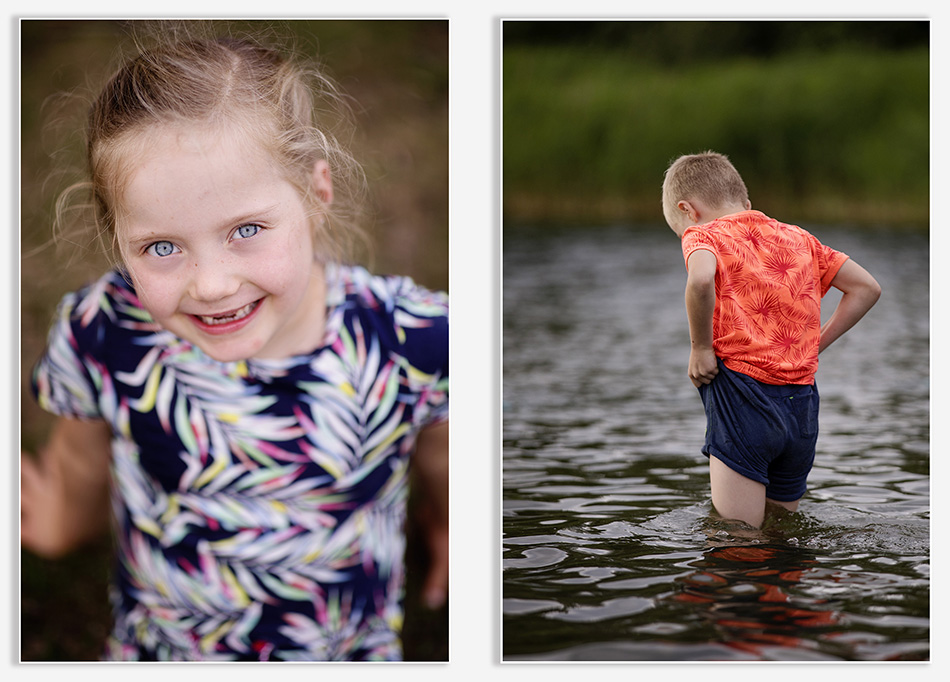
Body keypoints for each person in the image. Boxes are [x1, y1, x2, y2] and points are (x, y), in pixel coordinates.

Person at [21, 26, 448, 661]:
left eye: (246, 229)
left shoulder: (414, 338)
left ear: (316, 195)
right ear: (118, 239)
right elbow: (80, 470)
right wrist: (60, 522)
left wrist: (450, 526)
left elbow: (443, 460)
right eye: (161, 247)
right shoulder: (104, 330)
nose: (212, 285)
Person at [662, 151, 880, 529]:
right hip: (802, 406)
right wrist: (814, 345)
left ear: (688, 211)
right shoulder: (798, 237)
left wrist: (700, 348)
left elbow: (699, 280)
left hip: (744, 400)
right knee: (782, 533)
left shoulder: (704, 234)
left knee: (738, 539)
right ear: (746, 204)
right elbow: (866, 288)